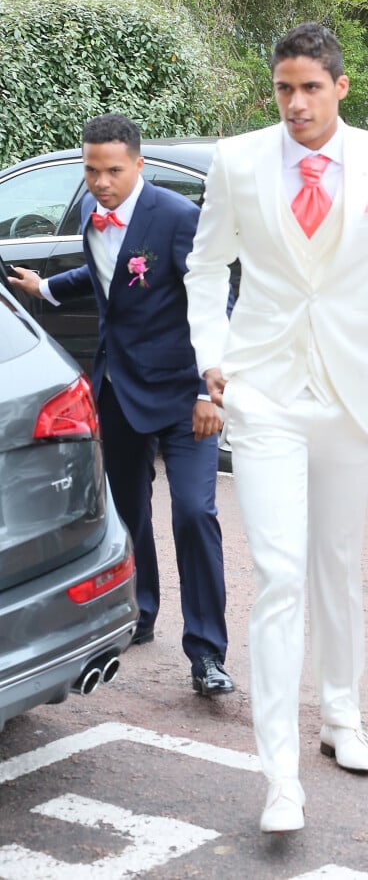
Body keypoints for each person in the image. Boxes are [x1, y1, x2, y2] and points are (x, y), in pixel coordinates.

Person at [183, 22, 368, 831]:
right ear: (273, 90)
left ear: (341, 86)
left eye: (311, 87)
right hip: (264, 388)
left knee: (335, 563)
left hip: (346, 392)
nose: (296, 103)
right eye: (284, 88)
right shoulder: (237, 162)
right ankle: (280, 776)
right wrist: (212, 353)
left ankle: (342, 715)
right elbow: (204, 268)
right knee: (278, 573)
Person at [9, 113, 234, 697]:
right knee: (128, 511)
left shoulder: (179, 219)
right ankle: (141, 612)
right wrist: (49, 288)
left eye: (113, 170)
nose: (101, 182)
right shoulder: (91, 211)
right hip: (119, 388)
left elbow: (216, 299)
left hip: (187, 397)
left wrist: (211, 387)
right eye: (92, 171)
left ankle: (207, 652)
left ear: (138, 165)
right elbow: (106, 274)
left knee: (193, 513)